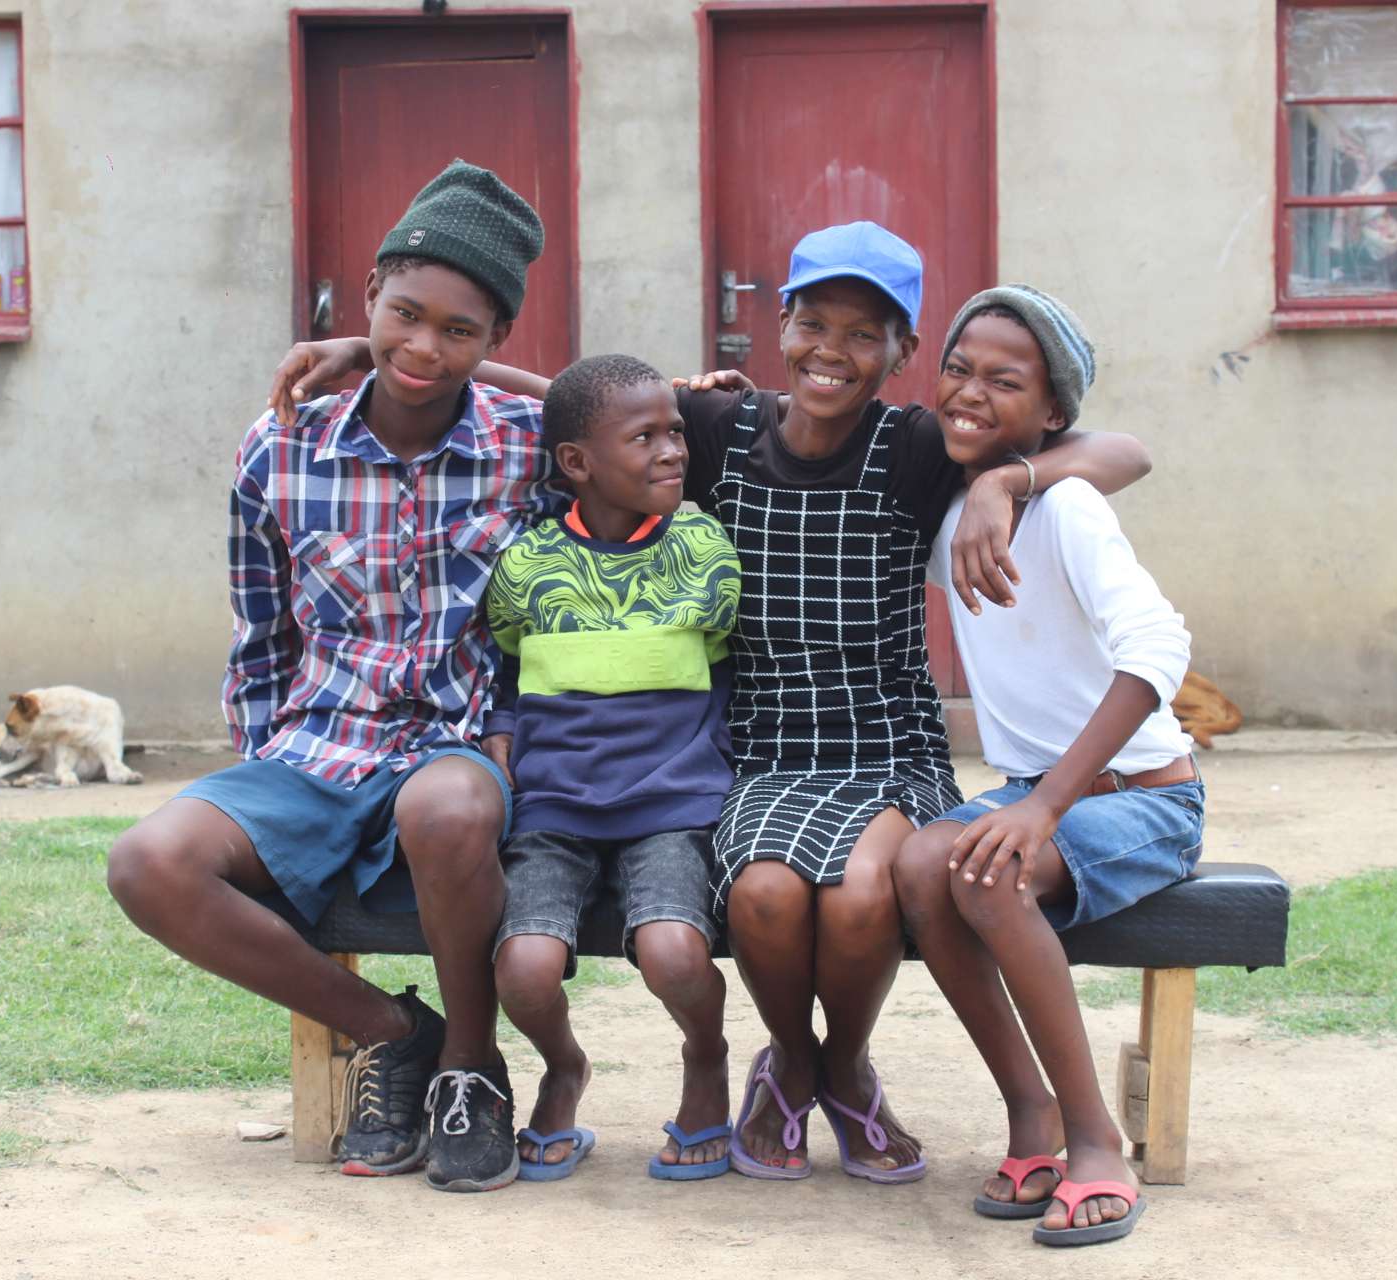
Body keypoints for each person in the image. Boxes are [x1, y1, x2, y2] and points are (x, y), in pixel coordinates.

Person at [264, 221, 1150, 1182]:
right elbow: (584, 403)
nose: (833, 351)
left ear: (902, 353)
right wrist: (383, 361)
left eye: (866, 335)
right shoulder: (724, 432)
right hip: (762, 749)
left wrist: (1006, 482)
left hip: (886, 745)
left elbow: (1125, 449)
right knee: (765, 898)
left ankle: (839, 1066)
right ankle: (787, 1059)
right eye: (815, 323)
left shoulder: (923, 445)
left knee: (858, 903)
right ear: (780, 326)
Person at [105, 159, 562, 1195]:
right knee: (147, 861)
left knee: (446, 812)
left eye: (460, 330)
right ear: (369, 292)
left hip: (455, 738)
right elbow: (260, 628)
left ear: (495, 343)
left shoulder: (530, 443)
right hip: (318, 744)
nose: (423, 347)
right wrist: (267, 771)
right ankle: (400, 1033)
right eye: (402, 315)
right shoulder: (281, 444)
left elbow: (646, 407)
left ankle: (471, 1069)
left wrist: (383, 352)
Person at [894, 286, 1201, 1246]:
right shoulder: (952, 510)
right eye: (958, 369)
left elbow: (1159, 650)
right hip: (1040, 794)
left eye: (1005, 380)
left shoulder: (1065, 505)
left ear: (1052, 413)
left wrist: (1046, 808)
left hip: (1143, 799)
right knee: (917, 865)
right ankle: (1028, 1111)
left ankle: (1095, 1141)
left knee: (989, 865)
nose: (971, 391)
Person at [481, 354, 741, 1182]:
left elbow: (731, 672)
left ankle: (706, 1056)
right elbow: (510, 674)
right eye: (646, 437)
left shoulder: (705, 548)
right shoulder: (527, 566)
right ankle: (563, 1064)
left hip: (672, 804)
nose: (673, 450)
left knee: (671, 951)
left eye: (676, 432)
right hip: (554, 806)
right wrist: (501, 737)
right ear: (576, 464)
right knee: (522, 970)